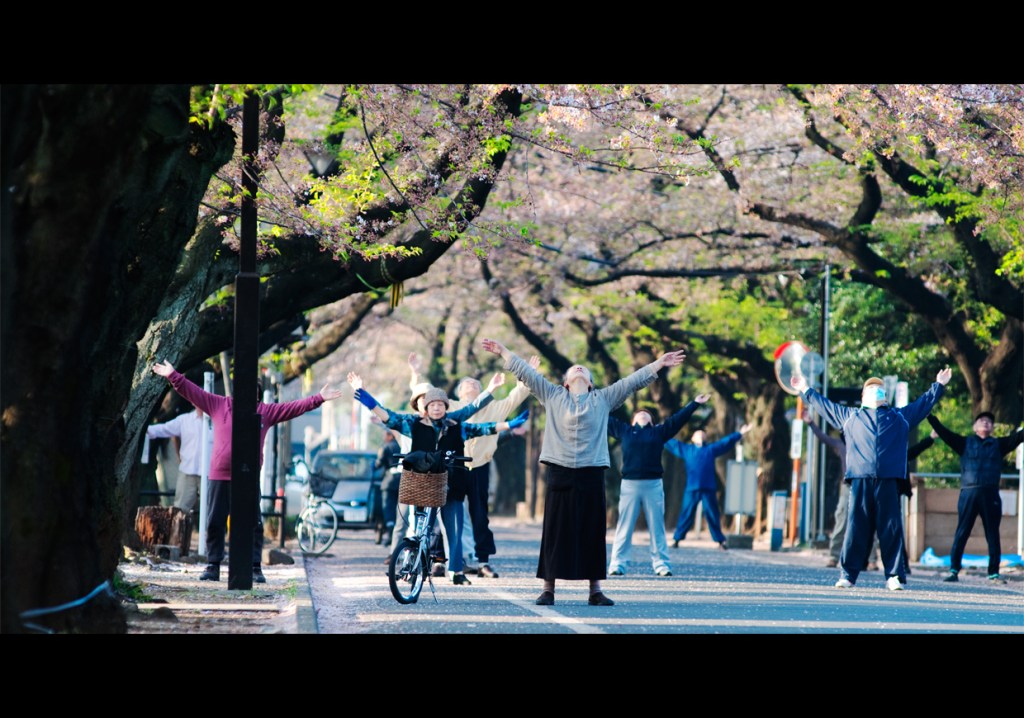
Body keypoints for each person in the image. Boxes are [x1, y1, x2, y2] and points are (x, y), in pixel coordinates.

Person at [481, 336, 687, 607]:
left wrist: (659, 364)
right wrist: (503, 350)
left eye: (584, 370)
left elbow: (633, 381)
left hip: (591, 471)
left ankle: (595, 590)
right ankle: (548, 589)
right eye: (573, 369)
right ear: (566, 382)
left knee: (592, 530)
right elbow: (526, 372)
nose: (579, 369)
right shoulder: (552, 394)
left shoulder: (602, 398)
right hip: (559, 471)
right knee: (555, 530)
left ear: (590, 383)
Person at [151, 360, 344, 583]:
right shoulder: (219, 404)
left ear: (258, 395)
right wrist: (172, 374)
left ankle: (254, 567)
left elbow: (293, 408)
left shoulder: (264, 412)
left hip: (248, 477)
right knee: (215, 521)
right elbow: (191, 391)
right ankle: (213, 565)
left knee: (253, 523)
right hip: (219, 475)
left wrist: (318, 398)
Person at [349, 374, 527, 585]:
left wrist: (508, 425)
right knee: (419, 529)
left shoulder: (455, 425)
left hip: (452, 484)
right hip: (423, 485)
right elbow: (388, 417)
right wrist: (364, 395)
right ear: (425, 407)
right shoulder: (412, 424)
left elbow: (481, 426)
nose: (436, 407)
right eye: (432, 404)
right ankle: (412, 564)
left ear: (446, 406)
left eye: (440, 404)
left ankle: (456, 571)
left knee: (454, 528)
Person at [792, 367, 952, 590]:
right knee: (856, 527)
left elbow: (922, 404)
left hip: (888, 480)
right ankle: (848, 574)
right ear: (863, 397)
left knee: (891, 528)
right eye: (871, 387)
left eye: (879, 388)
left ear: (885, 396)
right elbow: (825, 405)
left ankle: (895, 575)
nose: (876, 390)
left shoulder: (900, 417)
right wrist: (804, 389)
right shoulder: (849, 416)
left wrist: (939, 385)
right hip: (860, 479)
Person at [408, 351, 538, 578]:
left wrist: (528, 372)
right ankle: (440, 559)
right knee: (441, 510)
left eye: (474, 383)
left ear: (482, 389)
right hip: (452, 467)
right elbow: (424, 398)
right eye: (466, 384)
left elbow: (518, 394)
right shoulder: (454, 408)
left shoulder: (495, 407)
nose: (470, 384)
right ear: (458, 394)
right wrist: (416, 373)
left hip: (479, 465)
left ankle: (482, 561)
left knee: (480, 515)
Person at [804, 408, 936, 573]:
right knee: (842, 520)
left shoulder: (865, 443)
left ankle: (872, 559)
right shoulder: (841, 445)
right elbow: (823, 438)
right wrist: (810, 423)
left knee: (870, 521)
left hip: (868, 484)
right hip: (848, 486)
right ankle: (834, 556)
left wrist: (930, 439)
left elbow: (911, 451)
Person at [607, 395, 709, 577]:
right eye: (639, 413)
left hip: (653, 484)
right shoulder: (624, 431)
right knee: (624, 525)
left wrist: (695, 404)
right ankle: (617, 564)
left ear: (652, 422)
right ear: (632, 421)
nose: (643, 414)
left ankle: (661, 564)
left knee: (657, 525)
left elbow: (678, 420)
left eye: (647, 414)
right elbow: (601, 417)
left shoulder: (659, 432)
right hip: (630, 484)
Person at [927, 412, 1024, 584]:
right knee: (962, 532)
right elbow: (943, 431)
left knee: (992, 534)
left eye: (989, 422)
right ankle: (954, 570)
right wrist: (928, 414)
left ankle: (993, 572)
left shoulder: (999, 444)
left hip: (990, 494)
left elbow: (1019, 436)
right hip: (969, 493)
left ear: (992, 428)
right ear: (975, 426)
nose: (986, 423)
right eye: (982, 421)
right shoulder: (964, 443)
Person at [665, 423, 752, 550]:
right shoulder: (687, 449)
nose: (700, 435)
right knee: (686, 514)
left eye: (702, 433)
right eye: (697, 434)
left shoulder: (710, 450)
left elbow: (724, 443)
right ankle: (677, 538)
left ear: (705, 437)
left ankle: (720, 540)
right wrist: (657, 433)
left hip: (708, 487)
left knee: (712, 514)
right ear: (693, 438)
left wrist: (739, 434)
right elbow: (671, 443)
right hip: (692, 488)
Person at [146, 404, 213, 514]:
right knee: (180, 509)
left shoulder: (217, 420)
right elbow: (165, 428)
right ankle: (178, 530)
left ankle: (211, 531)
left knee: (211, 508)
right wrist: (146, 429)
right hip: (187, 472)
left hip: (209, 474)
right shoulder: (184, 420)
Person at [375, 429, 402, 548]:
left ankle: (390, 535)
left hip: (389, 482)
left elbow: (378, 464)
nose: (384, 437)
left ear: (391, 435)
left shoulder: (386, 447)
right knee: (401, 511)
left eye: (386, 434)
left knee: (388, 510)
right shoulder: (402, 445)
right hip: (402, 481)